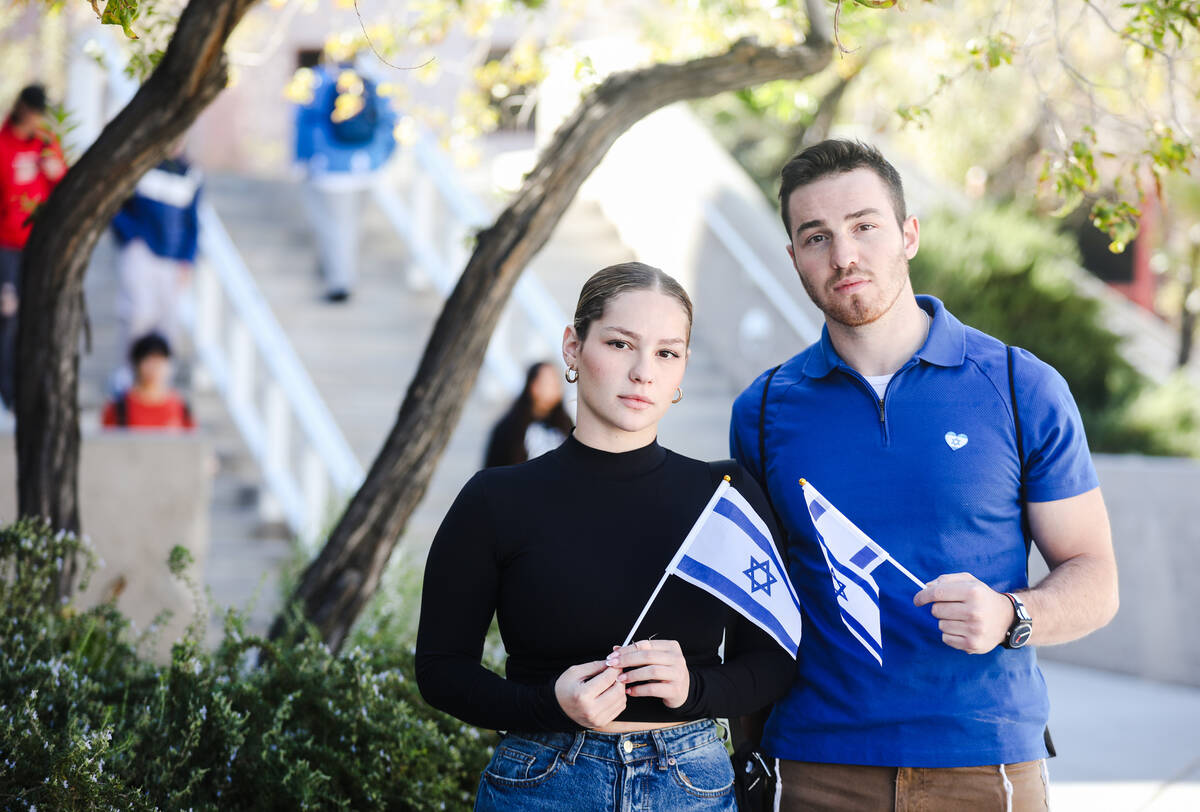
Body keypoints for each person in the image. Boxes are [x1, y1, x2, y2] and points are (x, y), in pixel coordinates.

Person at [729, 139, 1119, 810]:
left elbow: (1096, 578)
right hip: (815, 765)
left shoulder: (1020, 386)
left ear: (909, 233)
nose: (844, 254)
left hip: (983, 761)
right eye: (816, 236)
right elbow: (752, 603)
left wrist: (1011, 614)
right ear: (793, 257)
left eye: (864, 226)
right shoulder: (763, 411)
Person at [417, 261, 794, 811]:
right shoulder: (495, 499)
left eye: (667, 352)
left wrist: (695, 689)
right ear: (573, 347)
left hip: (690, 784)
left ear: (683, 366)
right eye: (621, 344)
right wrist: (550, 703)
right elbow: (440, 670)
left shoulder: (724, 497)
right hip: (544, 779)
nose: (644, 371)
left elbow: (775, 660)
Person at [293, 55, 396, 303]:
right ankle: (336, 269)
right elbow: (391, 121)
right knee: (349, 226)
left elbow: (303, 121)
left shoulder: (318, 79)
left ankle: (339, 282)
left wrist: (302, 158)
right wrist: (381, 159)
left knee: (334, 227)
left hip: (329, 168)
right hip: (367, 167)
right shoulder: (374, 81)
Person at [109, 144, 203, 391]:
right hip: (142, 251)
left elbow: (193, 222)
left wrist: (187, 259)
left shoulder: (190, 174)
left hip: (171, 257)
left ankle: (161, 384)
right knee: (137, 316)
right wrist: (132, 235)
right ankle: (129, 377)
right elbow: (115, 203)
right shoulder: (140, 165)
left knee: (168, 322)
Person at [0, 84, 67, 411]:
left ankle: (30, 392)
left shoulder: (45, 143)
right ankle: (7, 392)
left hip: (38, 246)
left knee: (36, 316)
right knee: (8, 318)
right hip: (7, 247)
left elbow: (63, 185)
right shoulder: (2, 145)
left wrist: (54, 170)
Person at [483, 361, 574, 468]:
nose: (556, 388)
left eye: (557, 382)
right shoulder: (511, 427)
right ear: (533, 386)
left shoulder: (564, 424)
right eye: (549, 383)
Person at [102, 332, 195, 430]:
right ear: (137, 364)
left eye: (160, 360)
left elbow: (192, 443)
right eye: (149, 361)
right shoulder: (118, 407)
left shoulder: (181, 408)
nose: (154, 367)